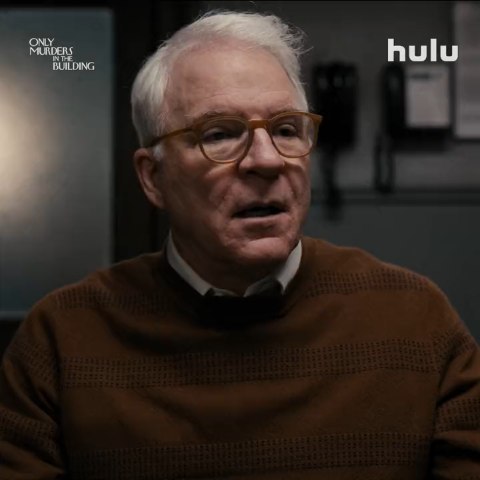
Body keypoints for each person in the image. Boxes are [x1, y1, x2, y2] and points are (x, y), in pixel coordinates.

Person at [1, 10, 479, 480]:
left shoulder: (416, 322)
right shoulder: (61, 341)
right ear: (153, 178)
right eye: (220, 135)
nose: (267, 161)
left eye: (286, 129)